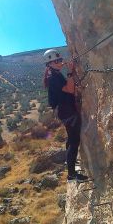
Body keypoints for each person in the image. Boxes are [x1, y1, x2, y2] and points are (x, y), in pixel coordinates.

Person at [43, 49, 88, 182]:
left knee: (71, 139)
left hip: (65, 111)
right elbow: (70, 89)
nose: (59, 62)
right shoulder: (53, 77)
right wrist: (70, 71)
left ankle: (70, 166)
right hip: (67, 112)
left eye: (60, 60)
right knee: (74, 141)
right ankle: (72, 175)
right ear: (49, 64)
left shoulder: (54, 74)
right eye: (56, 61)